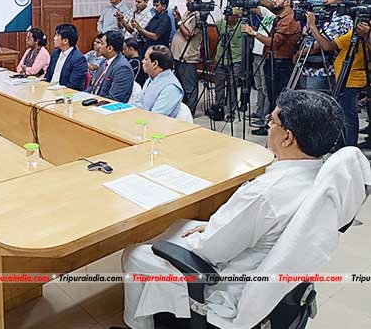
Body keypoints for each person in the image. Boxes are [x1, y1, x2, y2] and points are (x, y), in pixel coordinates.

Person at [116, 89, 345, 329]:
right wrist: (213, 227)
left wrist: (206, 234)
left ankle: (138, 325)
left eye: (272, 121)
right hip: (267, 278)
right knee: (181, 225)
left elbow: (211, 251)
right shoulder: (321, 179)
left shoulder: (266, 193)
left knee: (135, 254)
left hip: (228, 284)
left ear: (287, 138)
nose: (268, 125)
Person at [242, 0, 301, 136]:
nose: (273, 1)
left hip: (281, 63)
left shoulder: (289, 19)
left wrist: (253, 32)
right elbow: (268, 5)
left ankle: (278, 129)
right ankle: (271, 125)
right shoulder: (280, 15)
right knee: (272, 95)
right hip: (272, 60)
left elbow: (274, 43)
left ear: (287, 2)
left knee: (278, 99)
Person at [301, 0, 353, 93]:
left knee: (316, 106)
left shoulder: (343, 20)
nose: (325, 1)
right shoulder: (326, 15)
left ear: (341, 0)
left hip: (324, 71)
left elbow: (324, 45)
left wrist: (312, 26)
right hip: (307, 67)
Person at [330, 21, 371, 146]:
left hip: (353, 79)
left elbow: (327, 46)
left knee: (349, 115)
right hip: (349, 77)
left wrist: (313, 27)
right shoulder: (357, 32)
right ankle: (344, 143)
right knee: (346, 113)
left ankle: (350, 146)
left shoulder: (365, 33)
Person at [170, 0, 203, 115]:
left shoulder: (198, 16)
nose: (186, 2)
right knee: (180, 85)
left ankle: (190, 111)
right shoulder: (188, 13)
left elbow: (188, 34)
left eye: (189, 0)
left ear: (197, 0)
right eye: (186, 0)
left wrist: (178, 20)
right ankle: (182, 110)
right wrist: (178, 18)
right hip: (178, 56)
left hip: (188, 57)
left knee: (189, 87)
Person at [132, 0, 172, 86]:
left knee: (155, 77)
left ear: (164, 6)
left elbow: (155, 36)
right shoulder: (155, 17)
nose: (154, 8)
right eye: (154, 5)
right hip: (148, 48)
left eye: (157, 6)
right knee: (146, 75)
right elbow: (146, 30)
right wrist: (138, 28)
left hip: (158, 53)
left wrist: (140, 29)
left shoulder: (165, 19)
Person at [87, 30, 133, 103]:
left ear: (110, 48)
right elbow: (94, 87)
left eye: (102, 44)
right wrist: (81, 95)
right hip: (94, 100)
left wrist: (92, 103)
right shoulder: (103, 62)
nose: (99, 47)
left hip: (107, 108)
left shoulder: (122, 68)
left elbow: (114, 98)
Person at [213, 11, 243, 120]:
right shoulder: (221, 23)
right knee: (219, 85)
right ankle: (219, 108)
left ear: (237, 16)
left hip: (235, 60)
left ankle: (231, 111)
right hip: (220, 59)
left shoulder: (242, 25)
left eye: (231, 15)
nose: (227, 17)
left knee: (232, 86)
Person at [139, 45, 183, 117]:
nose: (142, 61)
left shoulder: (171, 88)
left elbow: (156, 117)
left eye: (146, 59)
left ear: (155, 64)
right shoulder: (151, 78)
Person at [43, 24, 87, 91]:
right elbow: (48, 75)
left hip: (65, 94)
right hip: (49, 89)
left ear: (65, 41)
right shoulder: (55, 53)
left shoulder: (78, 59)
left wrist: (56, 89)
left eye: (57, 35)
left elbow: (74, 85)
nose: (54, 38)